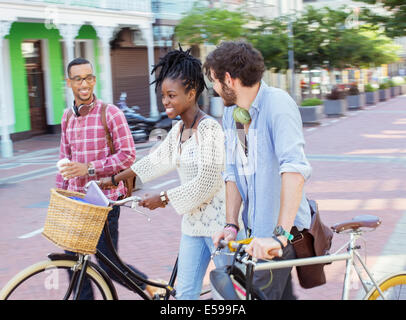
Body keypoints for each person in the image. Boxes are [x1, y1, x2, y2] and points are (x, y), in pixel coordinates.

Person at [99, 47, 234, 300]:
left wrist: (162, 198)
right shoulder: (180, 129)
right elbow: (156, 161)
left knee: (226, 298)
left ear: (191, 93)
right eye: (163, 95)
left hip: (220, 230)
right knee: (184, 296)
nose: (165, 101)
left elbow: (207, 182)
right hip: (193, 227)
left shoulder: (210, 130)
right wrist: (115, 179)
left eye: (172, 95)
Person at [206, 41, 312, 300]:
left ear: (229, 79)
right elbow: (233, 172)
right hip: (256, 236)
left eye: (214, 81)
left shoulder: (277, 105)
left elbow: (295, 172)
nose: (214, 89)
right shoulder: (232, 114)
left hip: (281, 233)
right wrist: (231, 224)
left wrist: (279, 238)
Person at [56, 57, 158, 299]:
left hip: (106, 202)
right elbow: (64, 160)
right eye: (78, 78)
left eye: (89, 77)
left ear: (94, 79)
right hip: (77, 203)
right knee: (71, 259)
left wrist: (89, 169)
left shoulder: (110, 113)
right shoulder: (67, 117)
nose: (84, 83)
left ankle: (148, 287)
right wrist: (60, 195)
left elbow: (127, 156)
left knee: (108, 264)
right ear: (69, 82)